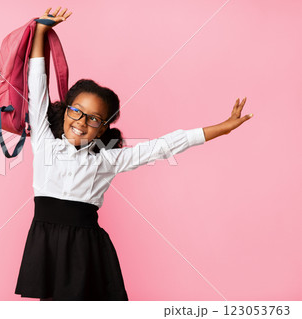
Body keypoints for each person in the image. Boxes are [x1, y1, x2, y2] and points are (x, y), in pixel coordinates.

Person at [14, 6, 253, 301]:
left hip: (86, 248)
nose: (82, 122)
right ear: (65, 111)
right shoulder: (44, 141)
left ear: (102, 129)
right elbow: (37, 86)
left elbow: (164, 146)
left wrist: (222, 128)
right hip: (46, 243)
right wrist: (40, 32)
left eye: (94, 119)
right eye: (76, 111)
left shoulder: (107, 160)